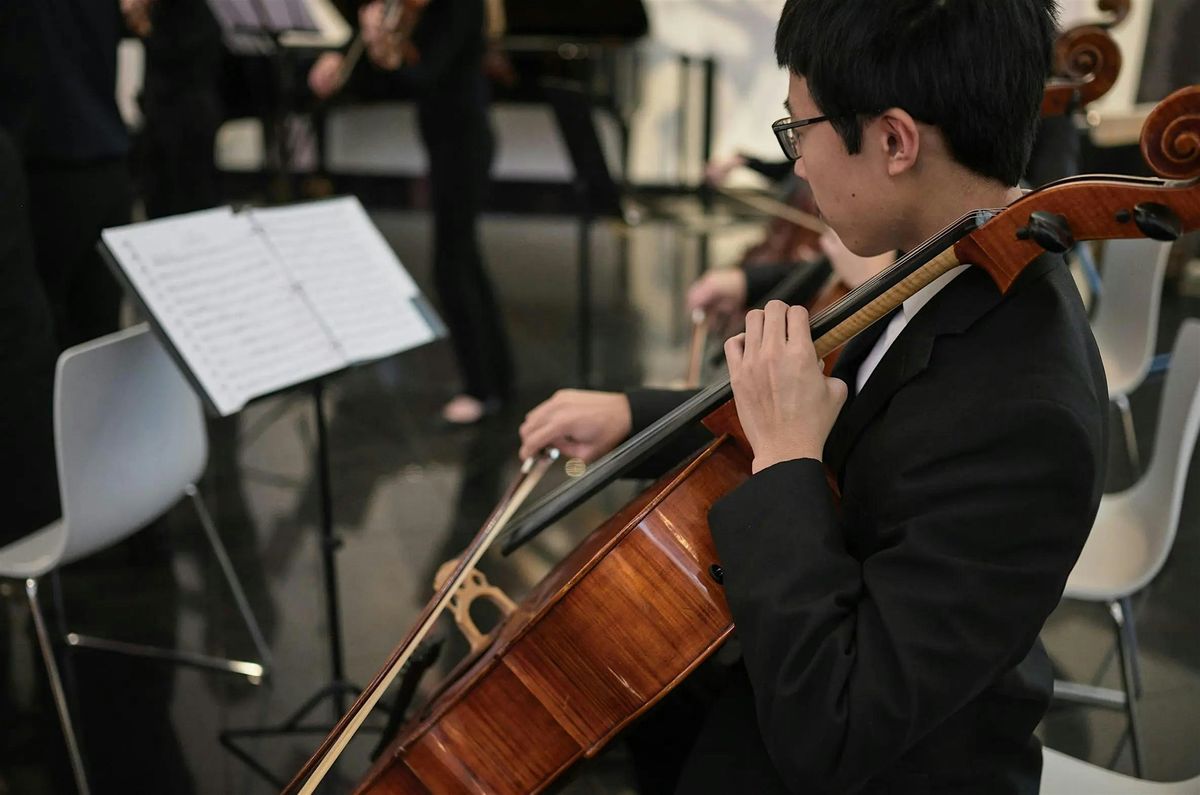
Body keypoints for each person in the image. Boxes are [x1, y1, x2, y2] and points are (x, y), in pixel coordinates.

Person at [520, 1, 1108, 792]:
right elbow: (839, 403)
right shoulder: (952, 256)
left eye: (801, 130)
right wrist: (634, 414)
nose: (797, 164)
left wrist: (788, 455)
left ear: (895, 141)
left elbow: (834, 727)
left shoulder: (1024, 412)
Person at [310, 0, 513, 425]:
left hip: (465, 142)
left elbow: (425, 76)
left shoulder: (461, 8)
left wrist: (385, 45)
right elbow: (376, 77)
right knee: (465, 263)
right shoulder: (417, 10)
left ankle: (481, 389)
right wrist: (342, 55)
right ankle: (499, 381)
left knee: (452, 266)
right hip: (444, 143)